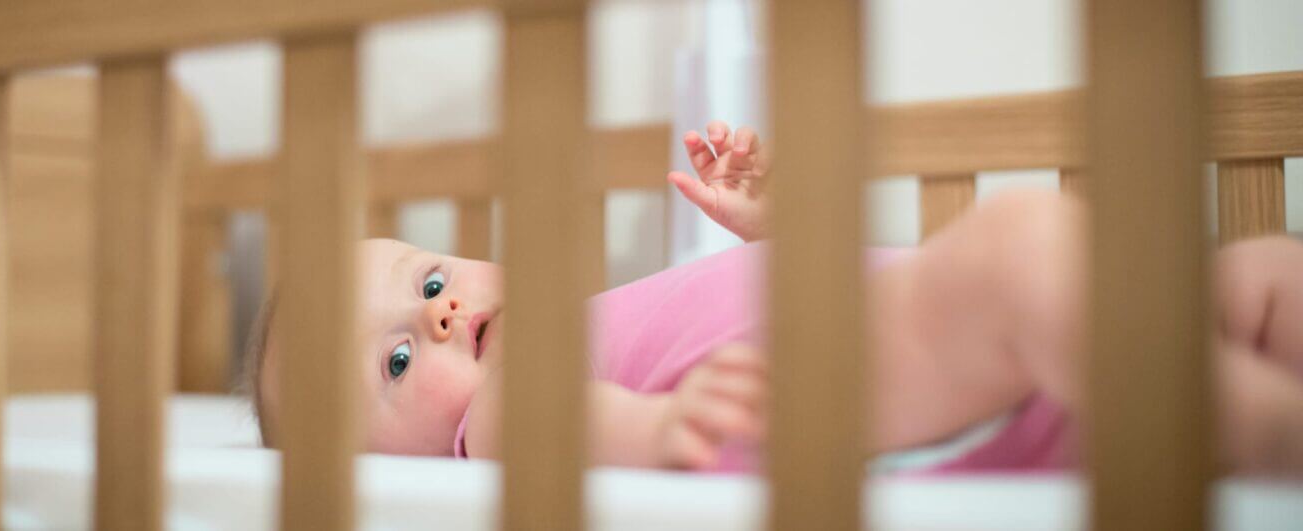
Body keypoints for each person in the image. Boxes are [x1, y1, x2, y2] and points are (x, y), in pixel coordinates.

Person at [246, 121, 1303, 475]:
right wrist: (656, 427)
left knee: (1249, 277)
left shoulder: (584, 321)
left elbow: (764, 299)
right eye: (395, 364)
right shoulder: (498, 411)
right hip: (872, 386)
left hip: (950, 346)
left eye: (430, 282)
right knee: (1019, 243)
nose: (437, 315)